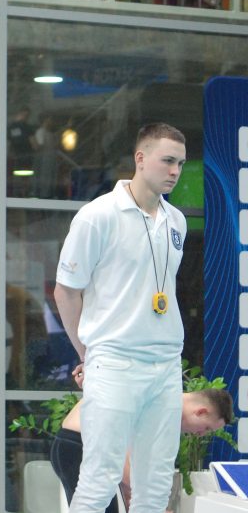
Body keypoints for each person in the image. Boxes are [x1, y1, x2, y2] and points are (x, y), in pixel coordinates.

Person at [54, 123, 188, 513]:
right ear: (140, 158)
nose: (175, 171)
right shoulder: (97, 216)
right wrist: (88, 352)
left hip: (165, 365)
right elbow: (66, 291)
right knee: (100, 478)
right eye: (168, 161)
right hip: (114, 362)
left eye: (180, 163)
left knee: (156, 484)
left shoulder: (176, 221)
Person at [51, 387, 233, 512]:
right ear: (201, 412)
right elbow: (123, 456)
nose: (201, 434)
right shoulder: (163, 405)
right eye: (206, 428)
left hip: (76, 445)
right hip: (80, 446)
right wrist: (153, 504)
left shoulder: (164, 397)